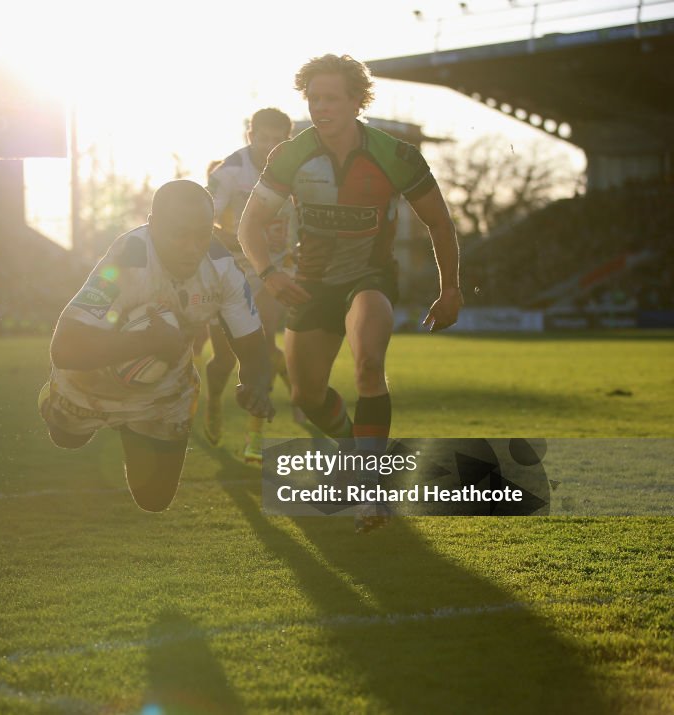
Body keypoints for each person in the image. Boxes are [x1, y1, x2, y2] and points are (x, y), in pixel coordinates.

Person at [237, 55, 462, 531]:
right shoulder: (291, 155)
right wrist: (270, 272)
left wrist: (451, 290)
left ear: (357, 101)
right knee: (307, 395)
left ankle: (371, 488)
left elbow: (439, 222)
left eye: (331, 98)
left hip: (369, 279)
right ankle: (356, 451)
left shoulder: (396, 156)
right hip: (311, 285)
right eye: (313, 98)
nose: (320, 107)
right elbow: (249, 225)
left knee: (368, 365)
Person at [39, 180, 274, 512]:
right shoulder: (127, 259)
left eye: (202, 234)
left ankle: (132, 427)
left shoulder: (223, 268)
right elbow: (65, 348)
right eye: (180, 234)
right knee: (67, 439)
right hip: (90, 381)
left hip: (164, 390)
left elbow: (253, 347)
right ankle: (63, 404)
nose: (193, 247)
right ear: (153, 225)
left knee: (154, 500)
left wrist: (256, 385)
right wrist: (147, 342)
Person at [204, 108, 304, 465]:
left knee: (262, 342)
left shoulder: (298, 173)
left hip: (275, 270)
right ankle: (214, 401)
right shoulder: (229, 172)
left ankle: (255, 437)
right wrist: (236, 236)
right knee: (224, 359)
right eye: (264, 138)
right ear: (251, 136)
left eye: (279, 139)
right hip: (231, 269)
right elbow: (204, 217)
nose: (271, 146)